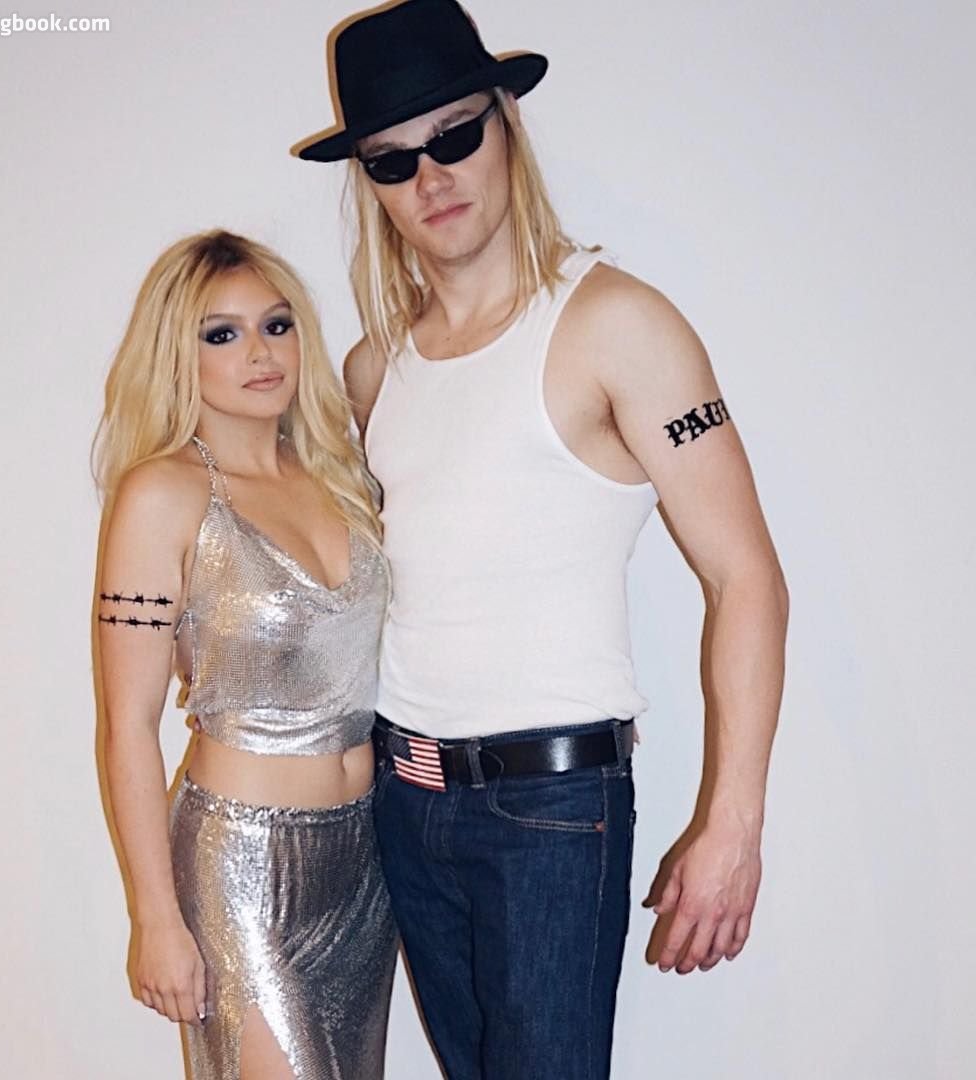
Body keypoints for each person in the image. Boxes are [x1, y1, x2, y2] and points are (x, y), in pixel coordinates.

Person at [293, 2, 789, 1078]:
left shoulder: (618, 324)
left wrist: (733, 823)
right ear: (369, 183)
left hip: (551, 810)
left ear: (507, 122)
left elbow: (746, 574)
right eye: (392, 161)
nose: (430, 178)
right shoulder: (375, 371)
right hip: (401, 800)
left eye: (455, 135)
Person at [93, 229, 397, 1080]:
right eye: (221, 334)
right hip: (242, 867)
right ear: (178, 354)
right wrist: (156, 917)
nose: (260, 353)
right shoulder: (163, 493)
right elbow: (127, 725)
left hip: (366, 863)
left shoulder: (342, 476)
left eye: (277, 324)